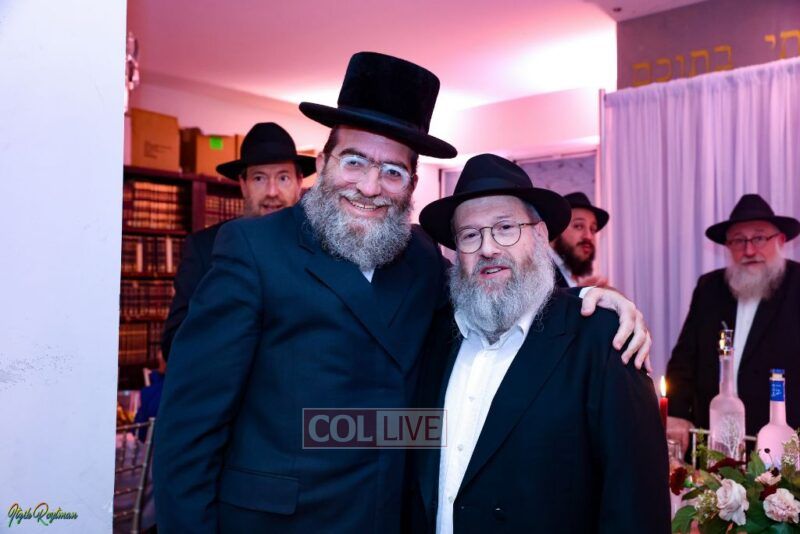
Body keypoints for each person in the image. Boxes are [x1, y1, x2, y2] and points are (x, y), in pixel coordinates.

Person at [153, 52, 652, 533]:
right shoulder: (253, 248)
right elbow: (189, 430)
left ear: (412, 184)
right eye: (354, 161)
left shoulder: (418, 257)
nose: (370, 186)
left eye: (392, 171)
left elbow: (496, 284)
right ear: (323, 162)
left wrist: (593, 304)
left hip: (389, 516)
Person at [408, 154, 670, 534]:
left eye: (505, 228)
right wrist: (322, 431)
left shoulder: (601, 339)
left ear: (540, 236)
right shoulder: (436, 338)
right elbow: (409, 444)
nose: (488, 248)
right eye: (470, 235)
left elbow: (636, 502)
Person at [160, 122, 315, 360]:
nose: (272, 191)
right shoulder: (204, 248)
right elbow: (174, 343)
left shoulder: (319, 247)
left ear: (299, 182)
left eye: (283, 178)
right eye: (259, 178)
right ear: (243, 185)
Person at [666, 194, 800, 454]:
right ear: (728, 246)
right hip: (715, 441)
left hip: (783, 446)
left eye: (759, 238)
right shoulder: (710, 288)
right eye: (739, 240)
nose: (749, 250)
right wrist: (677, 412)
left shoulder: (797, 285)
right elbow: (684, 359)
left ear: (781, 240)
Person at [550, 191, 609, 288]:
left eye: (593, 229)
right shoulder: (538, 270)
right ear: (556, 228)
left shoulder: (569, 274)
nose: (589, 236)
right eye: (578, 226)